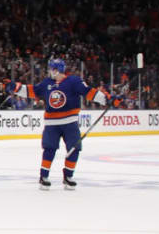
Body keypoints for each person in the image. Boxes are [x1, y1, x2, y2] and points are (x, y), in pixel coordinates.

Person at [7, 58, 110, 190]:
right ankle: (43, 176)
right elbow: (32, 91)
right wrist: (16, 87)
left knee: (74, 149)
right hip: (52, 124)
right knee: (49, 149)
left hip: (70, 123)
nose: (49, 71)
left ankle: (68, 176)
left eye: (51, 69)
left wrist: (106, 99)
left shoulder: (74, 81)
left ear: (56, 70)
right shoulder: (47, 83)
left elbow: (89, 92)